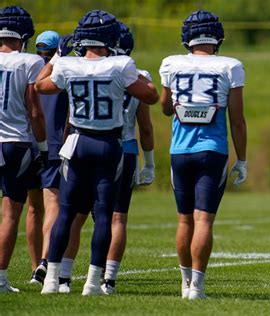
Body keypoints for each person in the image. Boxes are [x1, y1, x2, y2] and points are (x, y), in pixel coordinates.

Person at [35, 9, 158, 295]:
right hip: (108, 145)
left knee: (66, 212)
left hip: (77, 143)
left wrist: (55, 59)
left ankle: (52, 281)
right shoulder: (121, 64)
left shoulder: (67, 65)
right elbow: (151, 95)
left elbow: (40, 85)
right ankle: (93, 282)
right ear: (109, 38)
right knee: (103, 214)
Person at [159, 9, 247, 299]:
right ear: (217, 37)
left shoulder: (171, 64)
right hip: (212, 151)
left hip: (180, 150)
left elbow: (165, 107)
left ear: (187, 36)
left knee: (184, 219)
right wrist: (242, 159)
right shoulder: (230, 66)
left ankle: (185, 284)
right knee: (204, 221)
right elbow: (237, 119)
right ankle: (197, 287)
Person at [0, 5, 48, 293]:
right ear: (24, 35)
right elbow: (34, 110)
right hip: (14, 142)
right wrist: (42, 148)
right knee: (10, 213)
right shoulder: (29, 61)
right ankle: (1, 279)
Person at [28, 30, 69, 285]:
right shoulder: (62, 72)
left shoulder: (28, 70)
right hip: (52, 146)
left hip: (28, 144)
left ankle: (35, 270)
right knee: (53, 204)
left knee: (33, 209)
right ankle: (44, 260)